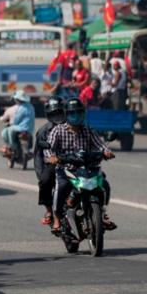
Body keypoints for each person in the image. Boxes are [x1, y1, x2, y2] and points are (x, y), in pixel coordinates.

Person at [44, 98, 116, 235]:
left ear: (83, 114)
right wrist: (52, 157)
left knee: (104, 185)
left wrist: (106, 152)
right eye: (72, 113)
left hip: (88, 168)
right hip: (66, 169)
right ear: (66, 114)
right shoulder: (58, 130)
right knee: (61, 188)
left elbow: (100, 145)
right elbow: (48, 148)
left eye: (79, 113)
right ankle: (57, 219)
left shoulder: (88, 130)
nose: (76, 116)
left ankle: (102, 214)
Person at [34, 97, 65, 227]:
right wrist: (41, 173)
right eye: (54, 114)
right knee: (45, 181)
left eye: (59, 113)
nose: (57, 117)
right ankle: (49, 210)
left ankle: (101, 212)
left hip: (74, 163)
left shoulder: (74, 126)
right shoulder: (43, 131)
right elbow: (38, 155)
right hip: (53, 164)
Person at [0, 91, 35, 156]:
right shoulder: (31, 107)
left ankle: (11, 147)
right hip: (29, 129)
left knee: (5, 131)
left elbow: (15, 120)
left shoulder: (18, 108)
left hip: (19, 128)